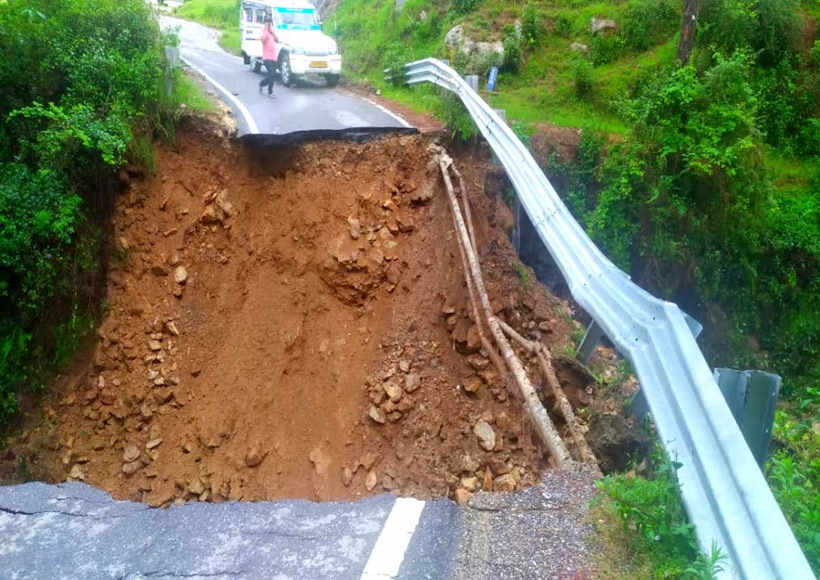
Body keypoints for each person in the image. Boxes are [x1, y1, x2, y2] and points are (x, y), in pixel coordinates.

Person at [259, 13, 279, 97]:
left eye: (270, 22)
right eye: (267, 22)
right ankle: (270, 92)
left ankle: (262, 83)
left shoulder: (271, 32)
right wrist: (266, 29)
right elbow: (262, 40)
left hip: (273, 57)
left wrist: (272, 32)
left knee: (272, 74)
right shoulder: (263, 31)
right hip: (267, 57)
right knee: (271, 73)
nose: (269, 24)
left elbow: (277, 40)